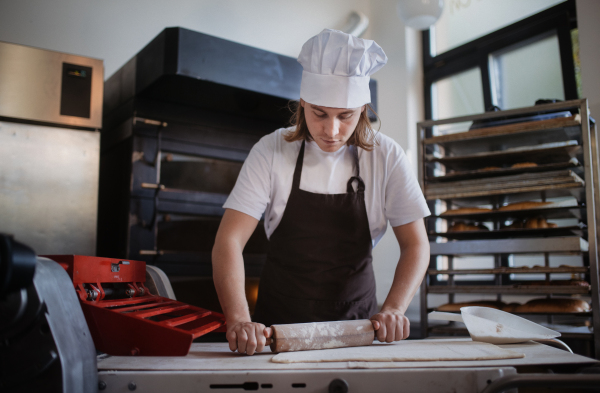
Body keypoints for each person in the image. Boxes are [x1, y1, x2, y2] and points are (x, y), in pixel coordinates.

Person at [212, 29, 430, 355]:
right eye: (319, 114)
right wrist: (239, 319)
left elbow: (416, 244)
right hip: (276, 332)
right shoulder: (270, 150)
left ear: (363, 108)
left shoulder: (386, 156)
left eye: (345, 116)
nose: (331, 131)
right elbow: (228, 241)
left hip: (356, 329)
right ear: (302, 104)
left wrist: (395, 308)